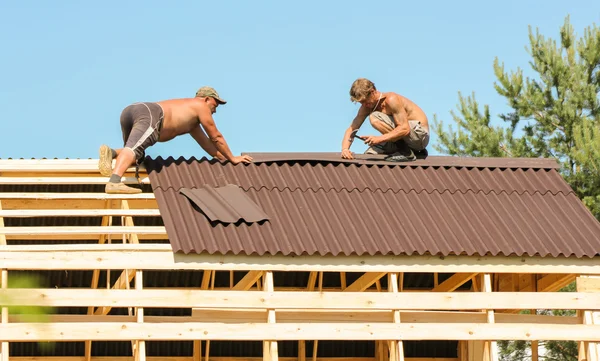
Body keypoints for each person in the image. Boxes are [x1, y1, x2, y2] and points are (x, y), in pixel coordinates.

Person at [98, 86, 253, 194]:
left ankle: (110, 153)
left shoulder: (191, 122)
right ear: (206, 99)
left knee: (136, 157)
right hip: (151, 113)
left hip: (133, 111)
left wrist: (224, 159)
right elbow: (216, 136)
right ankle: (114, 181)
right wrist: (233, 158)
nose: (216, 108)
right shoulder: (200, 106)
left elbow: (208, 144)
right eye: (216, 103)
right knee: (133, 150)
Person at [340, 78, 430, 161]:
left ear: (373, 92)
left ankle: (406, 152)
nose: (364, 105)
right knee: (370, 154)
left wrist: (380, 138)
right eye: (360, 103)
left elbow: (404, 129)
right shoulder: (366, 107)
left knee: (374, 117)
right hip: (404, 140)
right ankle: (410, 151)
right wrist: (345, 149)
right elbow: (352, 129)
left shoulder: (391, 99)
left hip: (419, 136)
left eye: (364, 101)